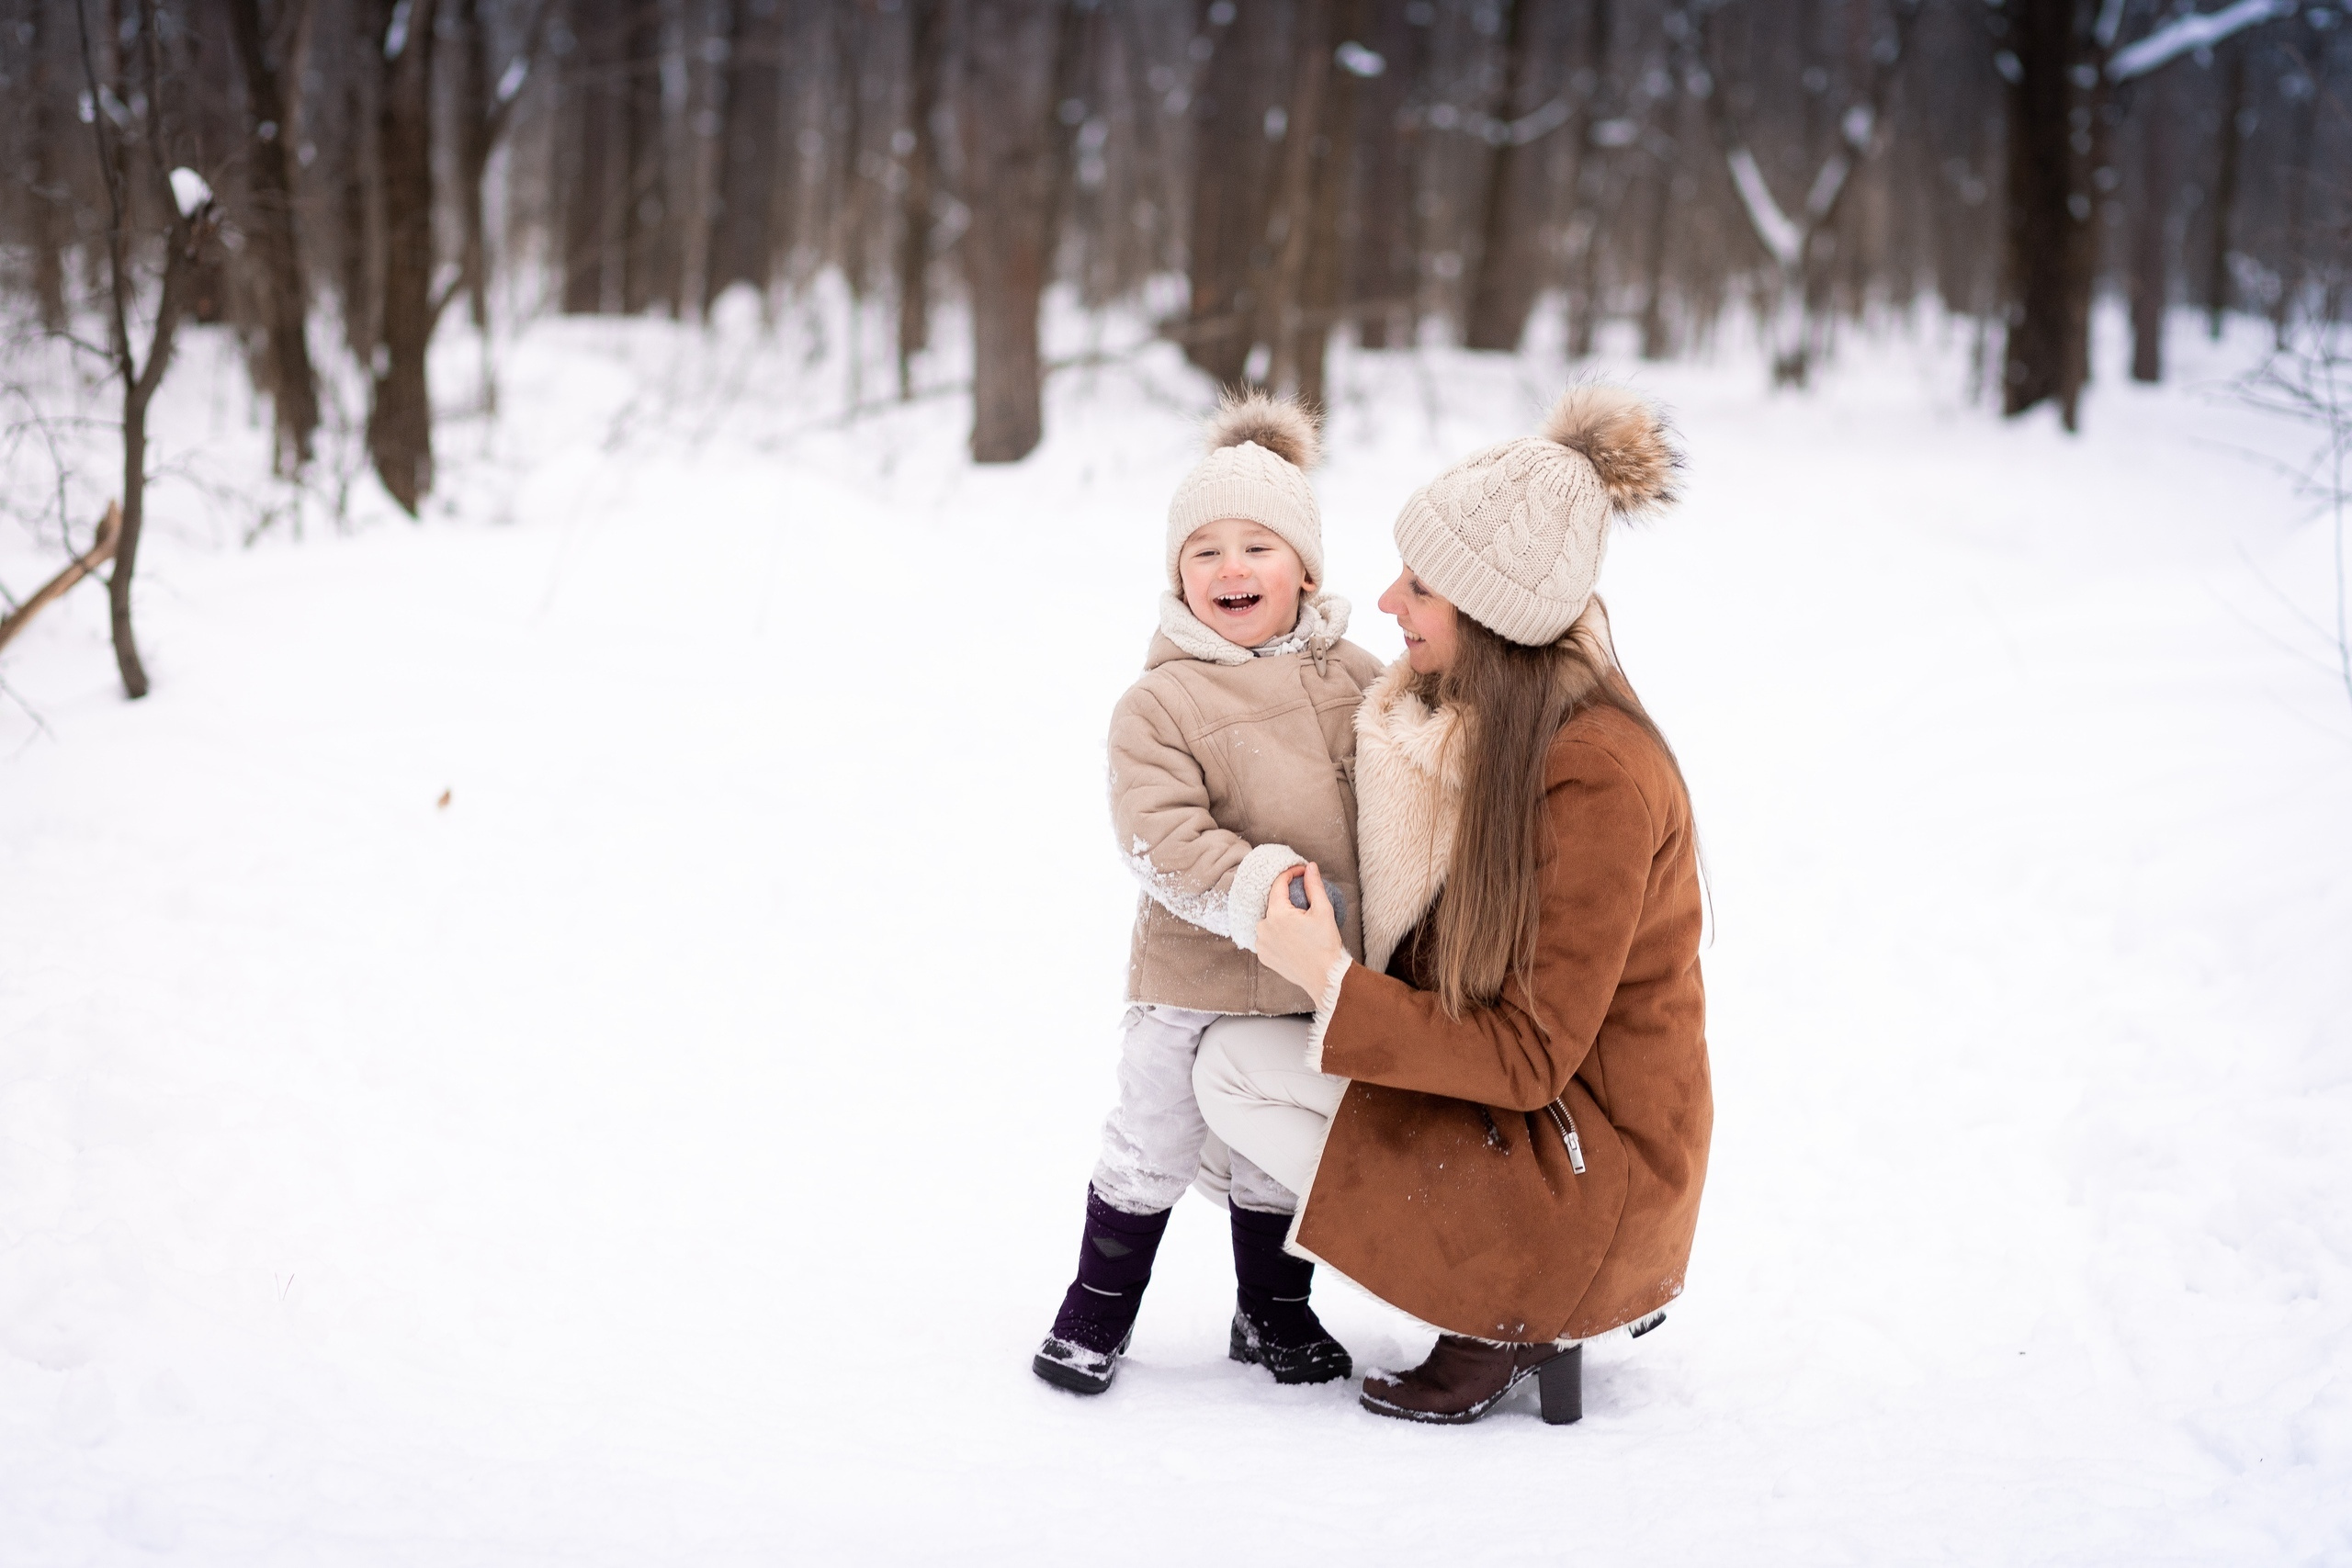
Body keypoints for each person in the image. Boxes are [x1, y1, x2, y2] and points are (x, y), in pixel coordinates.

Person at [1193, 384, 1713, 1425]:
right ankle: (1487, 1286)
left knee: (1245, 1085)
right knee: (1221, 1075)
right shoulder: (1497, 722)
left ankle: (1511, 1310)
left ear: (1492, 615)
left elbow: (1527, 1057)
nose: (1388, 602)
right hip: (1545, 1131)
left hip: (1590, 1174)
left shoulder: (1597, 773)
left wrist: (1328, 980)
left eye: (1419, 586)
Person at [1031, 391, 1387, 1397]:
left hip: (1311, 975)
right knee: (1151, 1142)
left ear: (1306, 570)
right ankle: (1095, 1312)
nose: (1230, 569)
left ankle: (1270, 1309)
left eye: (1258, 547)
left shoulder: (1358, 679)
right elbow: (1160, 835)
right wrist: (1263, 886)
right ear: (1178, 577)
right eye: (1205, 552)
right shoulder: (1160, 701)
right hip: (1189, 977)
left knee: (1273, 1157)